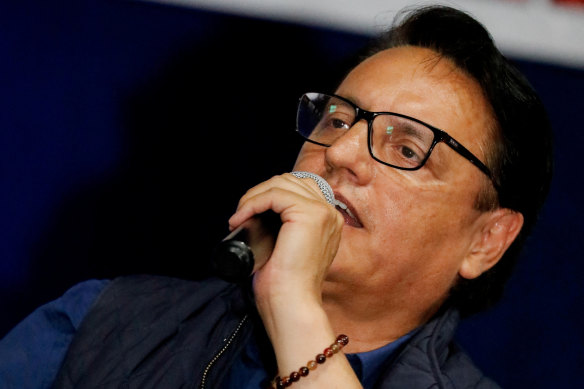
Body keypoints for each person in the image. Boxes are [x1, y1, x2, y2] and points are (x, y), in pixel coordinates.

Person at [0, 5, 552, 389]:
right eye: (337, 119)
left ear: (486, 241)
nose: (341, 154)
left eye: (406, 150)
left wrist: (294, 306)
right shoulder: (101, 322)